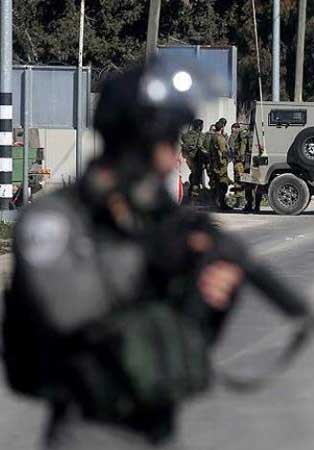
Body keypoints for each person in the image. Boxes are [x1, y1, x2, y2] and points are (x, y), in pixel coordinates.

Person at [3, 59, 245, 449]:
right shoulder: (56, 219)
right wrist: (149, 257)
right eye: (168, 143)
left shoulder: (154, 221)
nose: (176, 159)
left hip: (156, 430)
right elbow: (66, 307)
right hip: (88, 432)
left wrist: (210, 296)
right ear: (137, 141)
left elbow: (174, 339)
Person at [180, 119, 207, 199]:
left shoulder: (186, 135)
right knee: (197, 175)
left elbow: (183, 141)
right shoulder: (201, 135)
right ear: (199, 126)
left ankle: (192, 191)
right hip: (198, 158)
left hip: (189, 158)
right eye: (202, 125)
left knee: (194, 173)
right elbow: (201, 146)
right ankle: (194, 193)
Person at [209, 120, 231, 210]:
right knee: (223, 184)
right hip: (221, 164)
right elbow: (223, 151)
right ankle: (222, 204)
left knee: (216, 184)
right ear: (222, 128)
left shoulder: (213, 137)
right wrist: (230, 157)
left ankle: (215, 203)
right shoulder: (220, 138)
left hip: (214, 163)